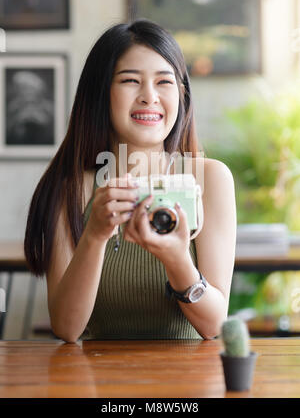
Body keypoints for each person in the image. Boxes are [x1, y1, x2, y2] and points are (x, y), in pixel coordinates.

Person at [24, 19, 236, 342]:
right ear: (101, 93)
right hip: (98, 385)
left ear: (181, 94)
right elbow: (67, 328)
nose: (149, 97)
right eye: (130, 81)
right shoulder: (71, 187)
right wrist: (95, 235)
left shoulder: (210, 179)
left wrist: (177, 260)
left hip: (190, 387)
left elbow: (214, 325)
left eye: (164, 82)